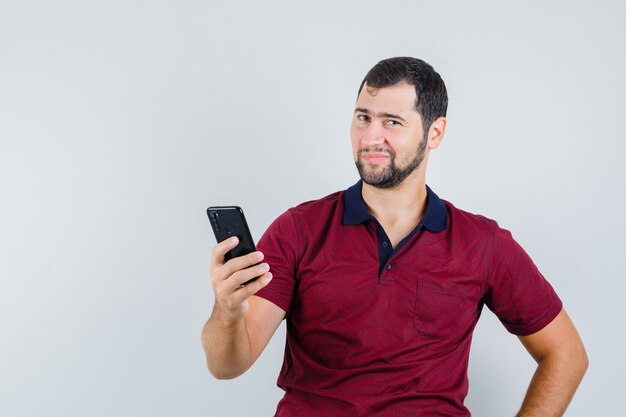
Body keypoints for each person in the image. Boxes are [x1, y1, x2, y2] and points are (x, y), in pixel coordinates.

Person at [201, 57, 588, 416]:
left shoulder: (483, 244)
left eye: (392, 122)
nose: (370, 137)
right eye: (363, 117)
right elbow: (226, 365)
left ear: (435, 132)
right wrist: (228, 310)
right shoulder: (298, 229)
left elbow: (565, 353)